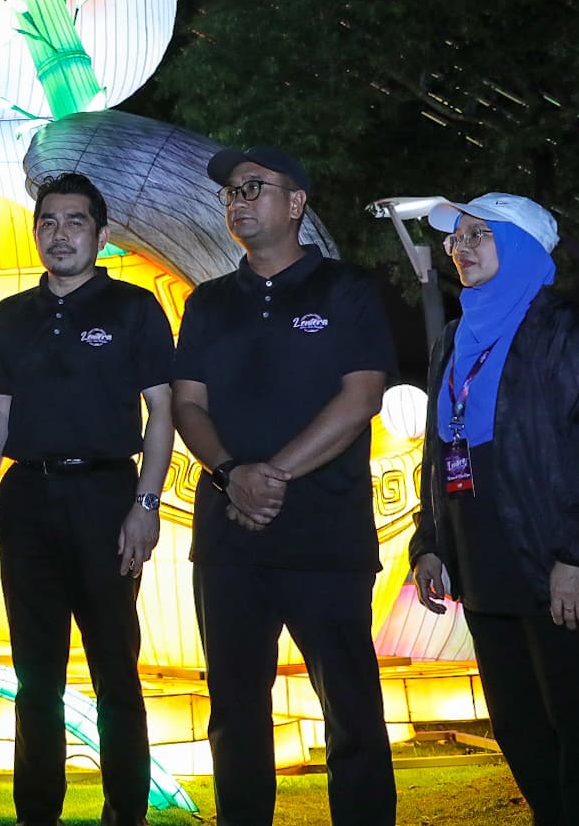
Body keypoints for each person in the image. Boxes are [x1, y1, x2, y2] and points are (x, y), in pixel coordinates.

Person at [171, 147, 396, 826]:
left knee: (351, 708)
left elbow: (362, 396)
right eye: (230, 193)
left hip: (325, 534)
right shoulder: (208, 302)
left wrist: (271, 476)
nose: (237, 201)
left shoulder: (346, 289)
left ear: (296, 203)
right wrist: (230, 474)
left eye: (253, 187)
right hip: (228, 540)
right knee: (235, 713)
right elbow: (187, 404)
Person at [409, 193, 579, 826]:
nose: (459, 247)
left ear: (521, 248)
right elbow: (439, 449)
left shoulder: (564, 328)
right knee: (520, 730)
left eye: (478, 234)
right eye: (455, 237)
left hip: (555, 560)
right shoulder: (453, 338)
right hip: (483, 562)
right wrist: (430, 542)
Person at [0, 172, 176, 826]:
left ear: (101, 233)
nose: (60, 234)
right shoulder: (10, 316)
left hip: (106, 496)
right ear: (36, 232)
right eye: (48, 222)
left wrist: (146, 504)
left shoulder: (134, 307)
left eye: (75, 221)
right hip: (27, 498)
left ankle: (126, 811)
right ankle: (38, 813)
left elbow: (163, 410)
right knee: (35, 676)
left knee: (116, 668)